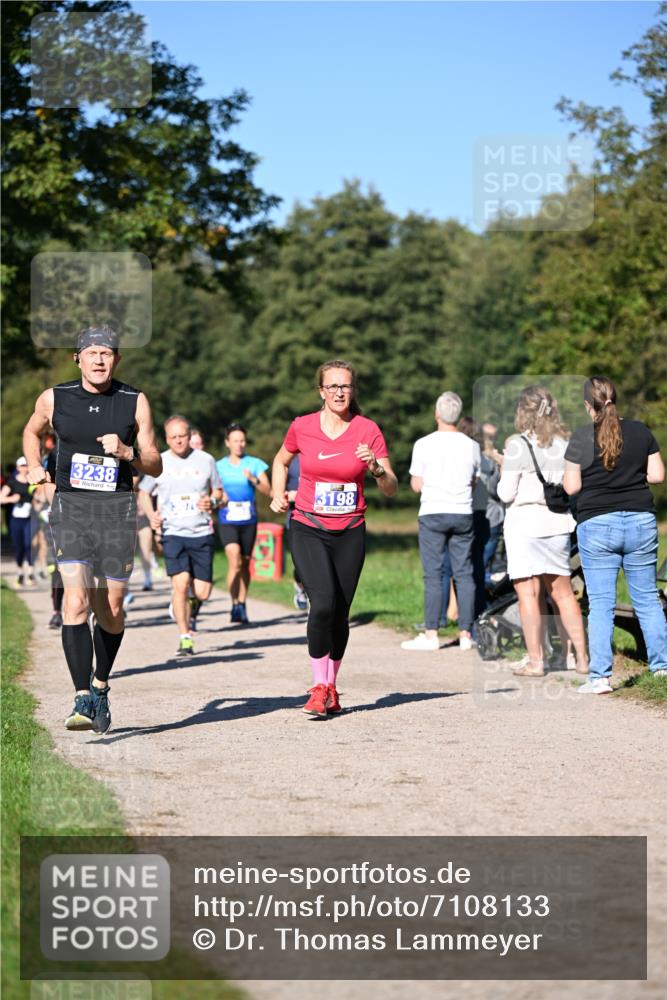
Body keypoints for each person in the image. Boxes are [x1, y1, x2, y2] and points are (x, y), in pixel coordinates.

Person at [22, 325, 162, 733]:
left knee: (111, 609)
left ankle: (101, 683)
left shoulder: (134, 401)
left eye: (107, 353)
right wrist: (36, 466)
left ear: (117, 359)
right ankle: (82, 696)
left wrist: (128, 452)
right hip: (71, 509)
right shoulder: (55, 398)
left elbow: (155, 463)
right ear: (78, 358)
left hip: (117, 512)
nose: (99, 360)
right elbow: (31, 431)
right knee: (76, 601)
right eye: (92, 353)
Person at [270, 360, 397, 717]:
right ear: (321, 391)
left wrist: (375, 467)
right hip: (308, 525)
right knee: (322, 603)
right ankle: (318, 686)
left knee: (340, 612)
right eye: (333, 386)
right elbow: (280, 461)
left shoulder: (368, 430)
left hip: (350, 530)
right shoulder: (302, 426)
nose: (340, 392)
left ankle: (332, 686)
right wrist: (277, 493)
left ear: (353, 390)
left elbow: (390, 487)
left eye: (346, 386)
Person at [564, 375, 667, 693]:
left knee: (601, 604)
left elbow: (572, 487)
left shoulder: (580, 438)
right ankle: (662, 669)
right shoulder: (640, 431)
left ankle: (600, 678)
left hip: (597, 524)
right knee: (647, 598)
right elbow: (657, 475)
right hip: (640, 522)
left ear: (588, 405)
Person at [497, 385, 588, 677]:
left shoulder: (518, 445)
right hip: (558, 523)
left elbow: (505, 493)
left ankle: (536, 662)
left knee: (528, 594)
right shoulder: (565, 443)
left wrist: (504, 467)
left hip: (524, 525)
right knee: (563, 593)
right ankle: (582, 659)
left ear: (522, 411)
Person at [139, 415, 224, 655]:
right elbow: (143, 493)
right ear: (166, 439)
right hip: (173, 533)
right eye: (173, 437)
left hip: (201, 532)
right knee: (180, 585)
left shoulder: (206, 460)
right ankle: (185, 637)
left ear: (189, 436)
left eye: (182, 436)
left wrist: (212, 501)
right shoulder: (159, 462)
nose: (178, 441)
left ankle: (190, 603)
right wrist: (152, 515)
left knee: (203, 592)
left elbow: (219, 492)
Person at [401, 391, 479, 652]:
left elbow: (416, 484)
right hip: (462, 512)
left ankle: (432, 633)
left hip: (433, 512)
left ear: (437, 414)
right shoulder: (471, 445)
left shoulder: (423, 444)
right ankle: (466, 633)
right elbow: (475, 480)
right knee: (464, 573)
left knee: (433, 574)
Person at [216, 422, 271, 625]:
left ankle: (242, 601)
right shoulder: (218, 466)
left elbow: (269, 491)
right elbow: (211, 489)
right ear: (227, 443)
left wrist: (254, 479)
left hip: (248, 520)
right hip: (227, 519)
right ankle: (234, 604)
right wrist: (219, 496)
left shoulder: (254, 463)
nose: (239, 444)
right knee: (234, 559)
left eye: (242, 441)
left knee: (246, 563)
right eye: (235, 441)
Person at [0, 457, 36, 586]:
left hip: (30, 519)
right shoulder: (12, 482)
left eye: (26, 465)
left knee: (29, 545)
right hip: (16, 520)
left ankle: (30, 573)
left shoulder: (33, 482)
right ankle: (20, 573)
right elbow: (1, 498)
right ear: (18, 467)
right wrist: (12, 499)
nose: (24, 468)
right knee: (19, 547)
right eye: (22, 465)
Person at [285, 454, 309, 610]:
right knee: (301, 563)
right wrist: (287, 495)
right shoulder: (290, 462)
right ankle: (300, 587)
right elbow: (276, 491)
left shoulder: (325, 456)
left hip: (321, 520)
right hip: (295, 519)